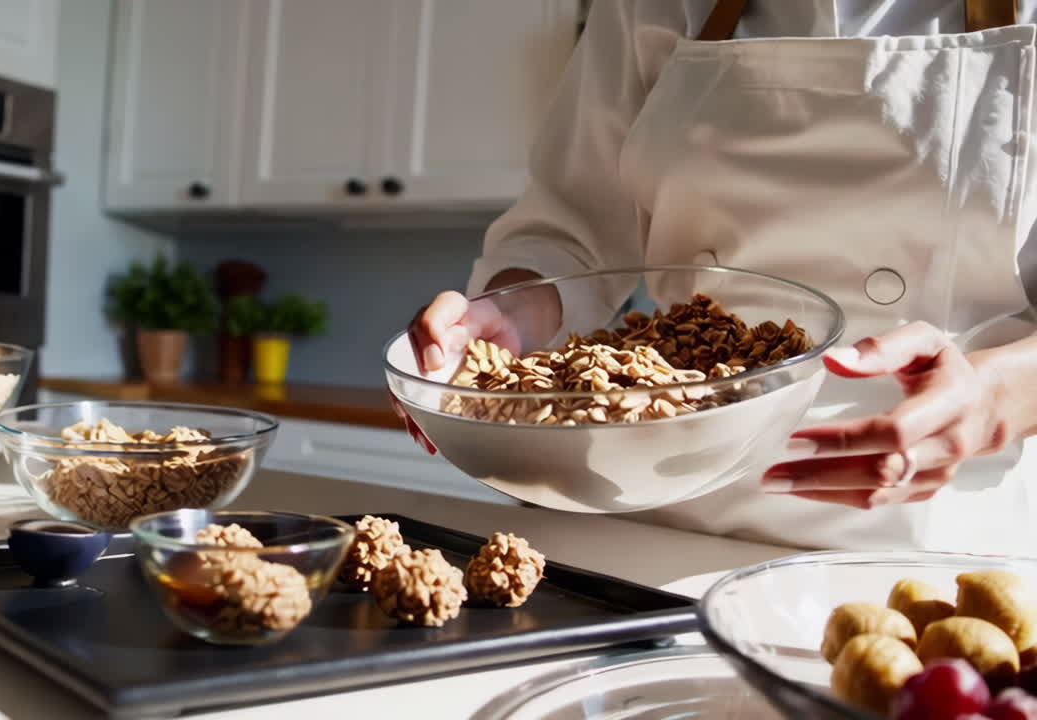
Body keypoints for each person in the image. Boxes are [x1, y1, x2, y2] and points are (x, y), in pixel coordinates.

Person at [405, 0, 1037, 554]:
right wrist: (509, 318)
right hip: (657, 527)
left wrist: (995, 400)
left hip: (939, 540)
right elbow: (571, 230)